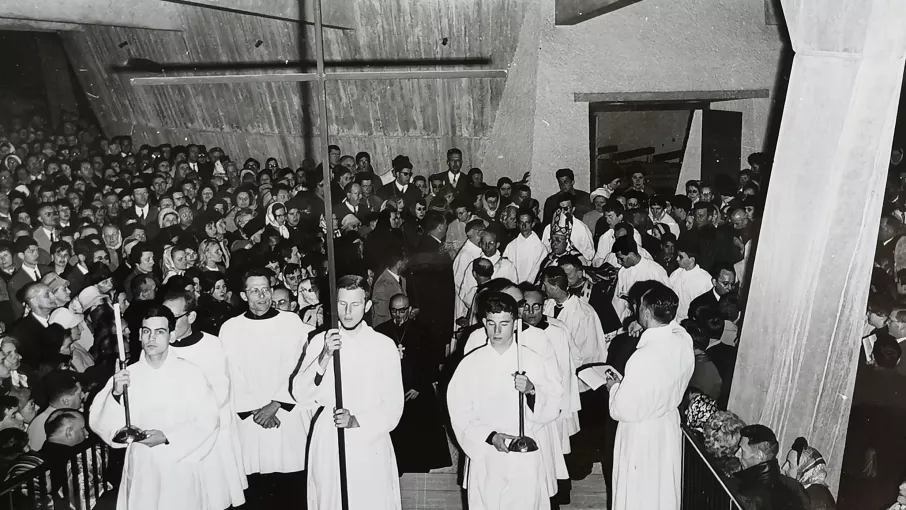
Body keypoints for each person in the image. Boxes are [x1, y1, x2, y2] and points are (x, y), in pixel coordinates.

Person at [89, 304, 221, 510]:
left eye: (160, 332)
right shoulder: (126, 375)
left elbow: (208, 420)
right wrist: (115, 394)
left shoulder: (191, 374)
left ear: (171, 335)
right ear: (139, 335)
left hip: (180, 464)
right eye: (146, 331)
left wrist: (168, 437)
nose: (152, 338)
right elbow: (103, 425)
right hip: (142, 465)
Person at [293, 275, 404, 510]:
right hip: (330, 437)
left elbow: (394, 406)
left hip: (369, 439)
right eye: (342, 304)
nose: (347, 311)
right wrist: (324, 357)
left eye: (355, 304)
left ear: (367, 306)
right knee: (331, 500)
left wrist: (356, 420)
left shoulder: (383, 346)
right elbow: (300, 395)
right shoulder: (320, 342)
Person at [448, 291, 561, 509]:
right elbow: (459, 412)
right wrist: (490, 437)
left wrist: (531, 391)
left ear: (516, 323)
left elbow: (552, 406)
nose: (497, 331)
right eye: (491, 323)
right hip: (487, 454)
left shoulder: (532, 360)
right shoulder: (470, 364)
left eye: (504, 323)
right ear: (483, 323)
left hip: (523, 456)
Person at [219, 269, 311, 505]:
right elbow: (231, 373)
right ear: (243, 295)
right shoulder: (230, 328)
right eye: (254, 290)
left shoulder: (291, 322)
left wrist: (276, 403)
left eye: (265, 289)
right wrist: (257, 410)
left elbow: (298, 365)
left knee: (291, 486)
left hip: (286, 415)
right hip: (251, 420)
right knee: (257, 490)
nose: (261, 295)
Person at [606, 282, 694, 510]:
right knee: (661, 491)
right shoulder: (683, 341)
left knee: (639, 494)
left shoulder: (642, 357)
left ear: (645, 312)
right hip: (666, 426)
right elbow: (672, 327)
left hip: (641, 432)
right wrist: (646, 325)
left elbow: (622, 409)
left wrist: (614, 387)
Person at [162, 290, 247, 510]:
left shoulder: (212, 346)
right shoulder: (158, 348)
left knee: (213, 497)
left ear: (190, 317)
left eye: (173, 319)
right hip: (172, 435)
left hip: (209, 436)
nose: (167, 325)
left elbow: (220, 391)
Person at [374, 294, 451, 474]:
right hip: (392, 394)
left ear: (409, 310)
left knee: (419, 444)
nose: (398, 315)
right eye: (394, 310)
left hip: (418, 393)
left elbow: (432, 362)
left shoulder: (424, 331)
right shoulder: (380, 331)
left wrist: (419, 386)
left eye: (402, 311)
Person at [733, 424, 811, 510]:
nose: (737, 454)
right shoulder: (795, 487)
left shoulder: (747, 495)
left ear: (760, 455)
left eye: (743, 451)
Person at [781, 437, 836, 510]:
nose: (784, 468)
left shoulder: (815, 499)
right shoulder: (808, 492)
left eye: (791, 465)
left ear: (805, 469)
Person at [503, 209, 548, 284]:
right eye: (521, 223)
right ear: (517, 224)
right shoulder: (511, 246)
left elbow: (539, 271)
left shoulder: (541, 248)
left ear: (533, 224)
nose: (524, 226)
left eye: (527, 222)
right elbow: (506, 267)